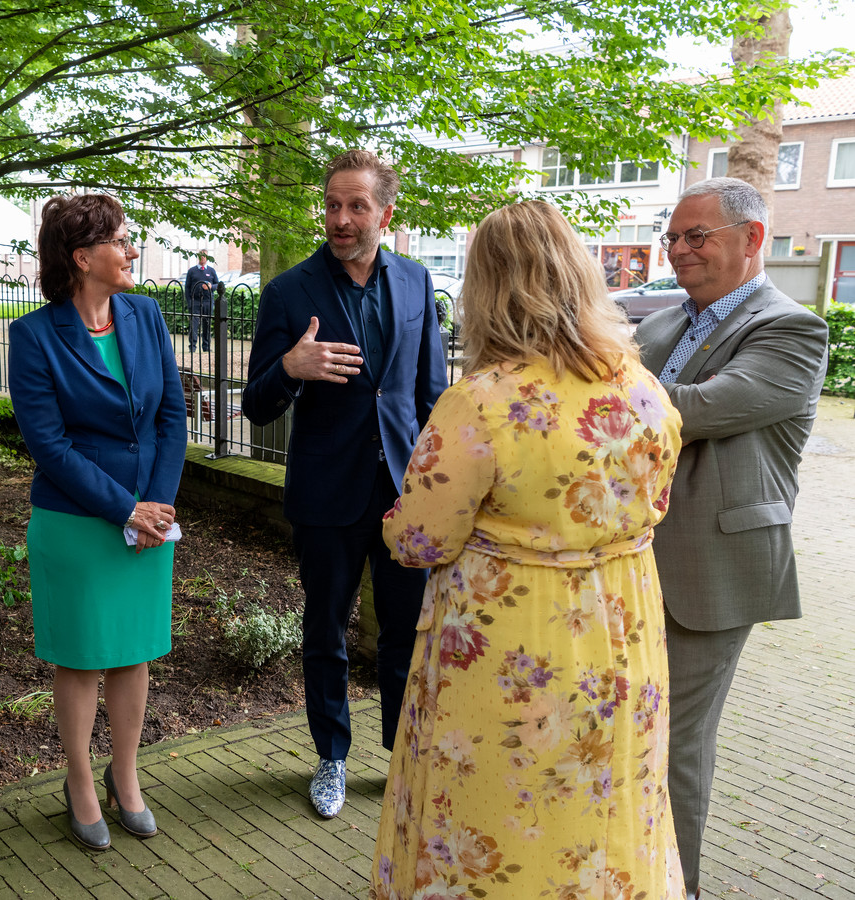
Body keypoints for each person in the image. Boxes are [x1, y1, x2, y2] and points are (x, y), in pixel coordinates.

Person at [372, 199, 685, 898]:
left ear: (486, 289)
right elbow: (655, 503)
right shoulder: (638, 387)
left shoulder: (480, 401)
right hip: (621, 632)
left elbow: (418, 539)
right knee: (602, 801)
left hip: (510, 647)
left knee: (498, 807)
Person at [636, 176, 828, 900]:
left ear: (750, 240)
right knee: (626, 731)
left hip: (711, 569)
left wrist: (578, 392)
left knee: (674, 745)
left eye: (695, 237)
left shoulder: (791, 329)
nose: (677, 249)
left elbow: (687, 411)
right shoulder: (658, 324)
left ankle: (675, 888)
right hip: (628, 561)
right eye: (672, 236)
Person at [242, 149, 447, 818]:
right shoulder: (288, 292)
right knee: (325, 630)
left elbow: (430, 392)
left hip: (401, 492)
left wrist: (435, 482)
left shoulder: (417, 283)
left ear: (385, 213)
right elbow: (254, 405)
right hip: (325, 493)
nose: (339, 217)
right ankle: (330, 757)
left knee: (402, 633)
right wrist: (291, 367)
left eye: (355, 205)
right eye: (332, 204)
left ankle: (397, 758)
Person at [7, 194, 186, 851]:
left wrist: (155, 508)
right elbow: (48, 446)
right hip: (77, 521)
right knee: (82, 659)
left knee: (134, 653)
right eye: (119, 241)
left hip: (148, 520)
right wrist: (123, 508)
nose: (131, 250)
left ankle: (126, 776)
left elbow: (172, 413)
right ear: (83, 258)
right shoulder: (32, 337)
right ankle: (80, 783)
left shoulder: (144, 314)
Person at [184, 250, 220, 352]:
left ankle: (206, 346)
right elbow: (187, 287)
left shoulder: (211, 271)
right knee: (194, 325)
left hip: (208, 302)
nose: (202, 258)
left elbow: (218, 285)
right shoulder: (192, 271)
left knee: (207, 324)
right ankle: (192, 347)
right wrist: (189, 302)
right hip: (195, 302)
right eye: (201, 256)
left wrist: (211, 286)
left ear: (207, 258)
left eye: (204, 256)